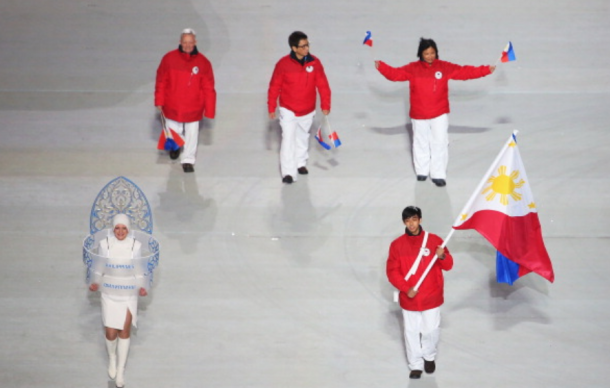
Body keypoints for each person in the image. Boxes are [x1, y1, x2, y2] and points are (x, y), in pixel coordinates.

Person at [375, 38, 495, 187]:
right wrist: (382, 67)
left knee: (440, 142)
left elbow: (465, 71)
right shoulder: (413, 68)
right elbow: (395, 74)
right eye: (426, 53)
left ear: (436, 53)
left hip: (439, 112)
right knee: (420, 142)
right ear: (421, 54)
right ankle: (422, 171)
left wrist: (485, 70)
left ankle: (438, 174)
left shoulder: (444, 67)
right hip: (419, 114)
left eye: (432, 53)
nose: (430, 56)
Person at [386, 206, 453, 379]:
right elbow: (392, 271)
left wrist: (442, 256)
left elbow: (449, 265)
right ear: (404, 222)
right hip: (409, 298)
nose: (411, 224)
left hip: (431, 295)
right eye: (407, 220)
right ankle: (415, 364)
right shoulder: (396, 245)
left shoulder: (434, 240)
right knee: (411, 332)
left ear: (420, 220)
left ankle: (429, 356)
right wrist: (406, 288)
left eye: (414, 219)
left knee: (431, 330)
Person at [89, 214, 147, 388]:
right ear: (113, 229)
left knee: (124, 331)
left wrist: (142, 286)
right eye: (117, 228)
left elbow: (139, 270)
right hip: (110, 292)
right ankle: (112, 358)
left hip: (128, 294)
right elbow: (99, 267)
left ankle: (120, 371)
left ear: (128, 230)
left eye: (124, 228)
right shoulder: (104, 244)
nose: (120, 232)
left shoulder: (135, 246)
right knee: (111, 333)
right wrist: (95, 282)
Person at [268, 31, 331, 184]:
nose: (306, 49)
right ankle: (288, 173)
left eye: (307, 45)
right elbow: (274, 86)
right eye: (302, 46)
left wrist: (325, 104)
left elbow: (323, 85)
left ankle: (300, 163)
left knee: (303, 137)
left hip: (307, 109)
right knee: (288, 139)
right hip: (288, 109)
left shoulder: (315, 63)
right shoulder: (283, 65)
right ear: (293, 48)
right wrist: (271, 107)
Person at [155, 28, 216, 173]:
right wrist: (159, 100)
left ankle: (188, 160)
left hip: (193, 106)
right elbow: (161, 81)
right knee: (173, 130)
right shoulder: (169, 59)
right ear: (180, 42)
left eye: (190, 42)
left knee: (192, 133)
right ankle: (175, 146)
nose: (188, 45)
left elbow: (209, 88)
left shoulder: (203, 63)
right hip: (172, 104)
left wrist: (210, 109)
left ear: (195, 42)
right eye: (185, 42)